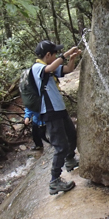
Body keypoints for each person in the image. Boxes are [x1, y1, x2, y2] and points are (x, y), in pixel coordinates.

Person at [32, 40, 81, 195]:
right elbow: (50, 68)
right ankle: (54, 181)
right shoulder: (37, 68)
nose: (55, 56)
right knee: (60, 146)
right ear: (48, 55)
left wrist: (72, 58)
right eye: (54, 53)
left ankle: (70, 160)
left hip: (59, 109)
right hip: (50, 112)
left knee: (72, 135)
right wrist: (65, 54)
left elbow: (68, 69)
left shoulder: (50, 67)